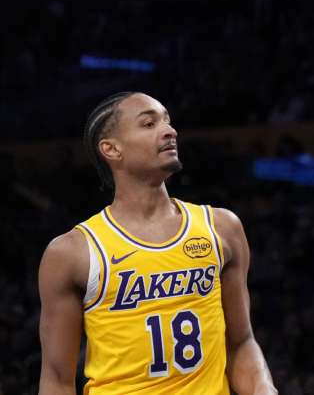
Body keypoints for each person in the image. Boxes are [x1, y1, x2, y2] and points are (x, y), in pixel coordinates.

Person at [37, 92, 276, 394]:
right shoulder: (73, 252)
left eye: (168, 121)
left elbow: (241, 342)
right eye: (149, 124)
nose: (169, 130)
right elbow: (57, 379)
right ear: (111, 149)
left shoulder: (222, 228)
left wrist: (264, 388)